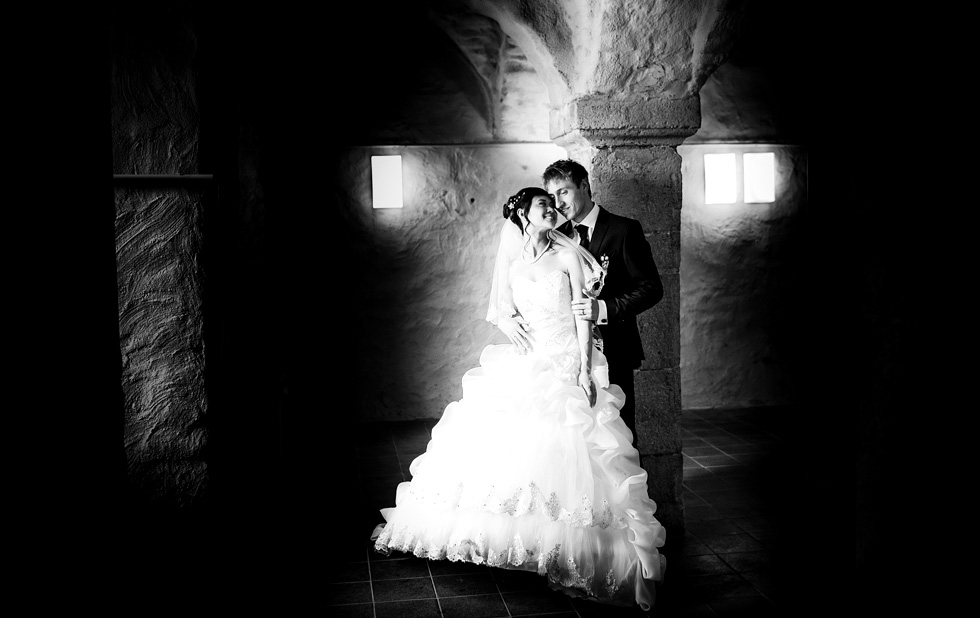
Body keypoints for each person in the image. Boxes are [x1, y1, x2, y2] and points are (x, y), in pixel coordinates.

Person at [373, 187, 666, 611]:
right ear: (524, 217)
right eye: (543, 206)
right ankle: (520, 542)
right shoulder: (512, 265)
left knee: (574, 451)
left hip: (566, 360)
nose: (553, 210)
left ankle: (578, 549)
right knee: (512, 452)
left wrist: (584, 369)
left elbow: (583, 317)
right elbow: (501, 309)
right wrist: (507, 320)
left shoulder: (568, 256)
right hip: (528, 362)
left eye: (554, 203)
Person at [500, 159, 664, 442]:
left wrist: (602, 308)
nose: (558, 203)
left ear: (584, 186)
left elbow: (651, 288)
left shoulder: (623, 230)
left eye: (563, 192)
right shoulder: (555, 236)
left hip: (614, 347)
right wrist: (507, 319)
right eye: (552, 197)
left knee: (615, 436)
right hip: (562, 356)